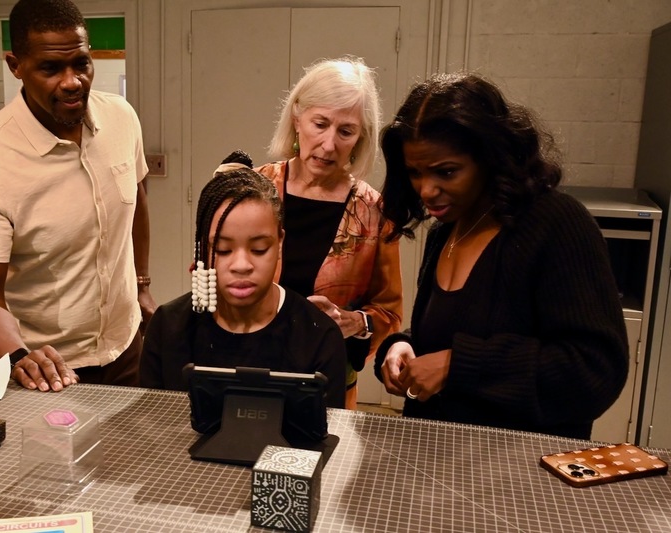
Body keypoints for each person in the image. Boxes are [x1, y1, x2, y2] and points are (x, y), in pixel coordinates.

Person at [374, 72, 629, 439]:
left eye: (446, 171)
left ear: (490, 156)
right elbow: (457, 331)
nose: (427, 190)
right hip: (440, 458)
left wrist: (457, 365)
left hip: (519, 475)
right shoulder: (446, 231)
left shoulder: (556, 223)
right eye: (414, 172)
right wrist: (404, 346)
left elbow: (594, 370)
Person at [0, 0, 156, 392]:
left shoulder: (121, 118)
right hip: (49, 373)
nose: (72, 81)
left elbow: (137, 199)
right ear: (16, 67)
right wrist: (17, 356)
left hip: (127, 346)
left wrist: (142, 283)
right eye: (50, 68)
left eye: (80, 63)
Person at [139, 151, 346, 408]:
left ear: (280, 242)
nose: (241, 266)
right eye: (223, 250)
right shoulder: (169, 327)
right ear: (202, 249)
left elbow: (323, 437)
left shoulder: (318, 337)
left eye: (259, 249)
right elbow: (152, 427)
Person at [255, 57, 403, 409]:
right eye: (320, 123)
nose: (329, 143)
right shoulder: (254, 189)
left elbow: (389, 313)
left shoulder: (374, 212)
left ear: (360, 138)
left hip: (324, 382)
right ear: (297, 119)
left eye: (346, 131)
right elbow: (209, 274)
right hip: (249, 366)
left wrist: (354, 322)